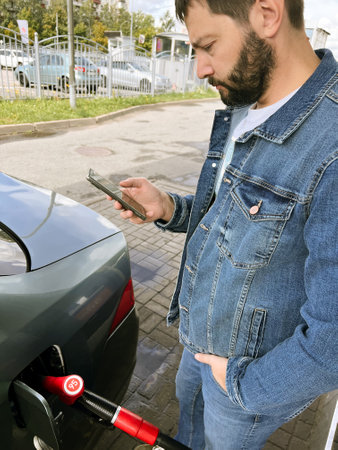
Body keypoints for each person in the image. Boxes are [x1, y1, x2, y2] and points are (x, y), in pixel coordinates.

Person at [112, 0, 338, 448]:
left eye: (208, 45)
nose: (200, 69)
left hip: (246, 383)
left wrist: (241, 387)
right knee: (187, 432)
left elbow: (331, 342)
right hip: (198, 343)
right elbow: (238, 212)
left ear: (267, 15)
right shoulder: (247, 104)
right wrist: (169, 207)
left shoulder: (331, 146)